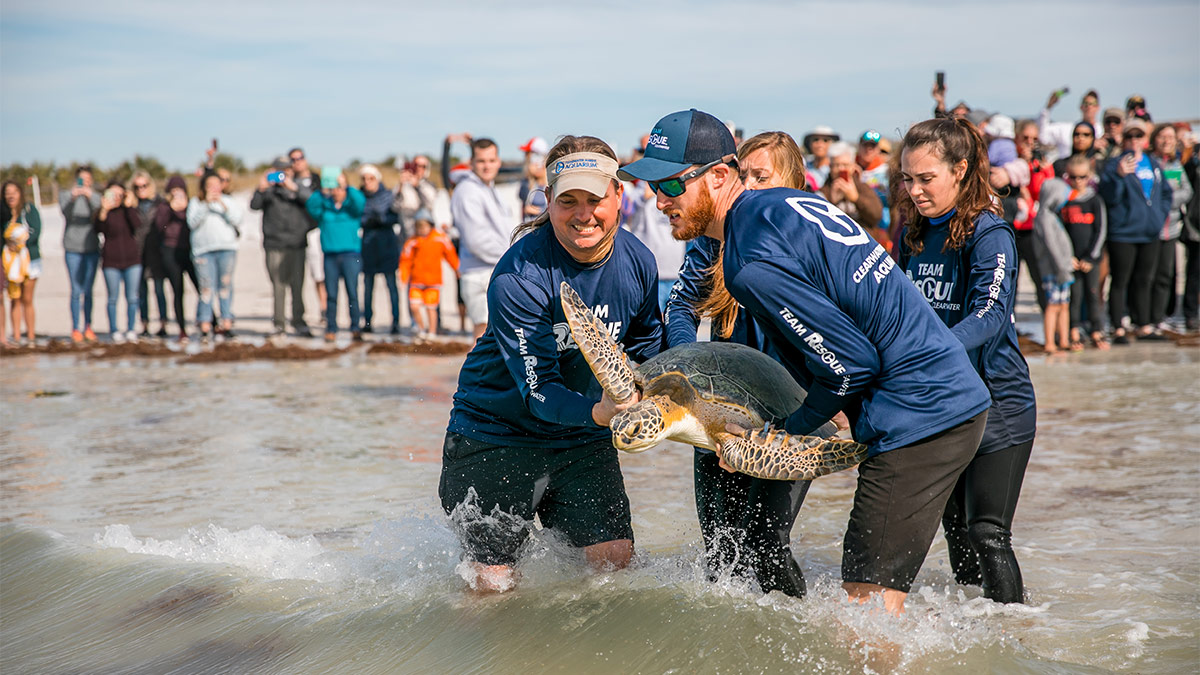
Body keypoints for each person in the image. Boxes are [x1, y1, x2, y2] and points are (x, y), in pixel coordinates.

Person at [621, 108, 990, 615]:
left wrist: (778, 434)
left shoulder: (748, 261)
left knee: (864, 613)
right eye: (651, 185)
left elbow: (850, 364)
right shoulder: (781, 206)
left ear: (721, 176)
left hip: (920, 415)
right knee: (870, 608)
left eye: (668, 184)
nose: (658, 200)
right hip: (943, 400)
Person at [439, 135, 662, 593]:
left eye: (595, 199)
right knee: (493, 585)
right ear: (548, 201)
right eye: (568, 202)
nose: (584, 215)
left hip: (581, 437)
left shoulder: (638, 262)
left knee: (615, 563)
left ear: (619, 195)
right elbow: (539, 390)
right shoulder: (519, 276)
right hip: (495, 435)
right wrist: (601, 412)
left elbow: (649, 351)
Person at [664, 129, 823, 598]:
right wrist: (688, 368)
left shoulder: (808, 238)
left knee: (766, 544)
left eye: (762, 175)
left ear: (794, 181)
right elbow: (679, 308)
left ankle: (800, 645)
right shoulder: (713, 240)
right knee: (719, 552)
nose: (750, 185)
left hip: (792, 413)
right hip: (720, 409)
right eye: (744, 175)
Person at [893, 116, 1036, 604]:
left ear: (961, 170)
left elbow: (991, 313)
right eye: (907, 179)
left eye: (925, 179)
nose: (914, 190)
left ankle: (1015, 639)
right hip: (944, 404)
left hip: (999, 404)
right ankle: (975, 639)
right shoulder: (911, 234)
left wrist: (930, 353)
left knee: (988, 533)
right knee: (954, 534)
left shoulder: (989, 233)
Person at [1098, 116, 1173, 344]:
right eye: (1129, 135)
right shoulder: (1113, 164)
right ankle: (1119, 326)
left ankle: (1143, 325)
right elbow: (1108, 197)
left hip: (1149, 231)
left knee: (1144, 279)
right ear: (1123, 140)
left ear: (1145, 139)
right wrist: (1119, 177)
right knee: (1120, 280)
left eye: (1138, 135)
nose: (1133, 140)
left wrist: (1159, 216)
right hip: (1123, 232)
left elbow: (1166, 193)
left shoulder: (1152, 163)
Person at [449, 136, 512, 340]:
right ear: (472, 163)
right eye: (482, 161)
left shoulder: (490, 189)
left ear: (499, 162)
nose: (487, 166)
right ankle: (471, 373)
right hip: (479, 274)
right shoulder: (467, 191)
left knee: (496, 338)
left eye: (491, 160)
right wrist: (512, 258)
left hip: (493, 270)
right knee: (484, 336)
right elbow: (477, 241)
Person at [252, 157, 316, 338]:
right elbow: (254, 205)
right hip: (274, 244)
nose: (283, 173)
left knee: (297, 286)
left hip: (297, 243)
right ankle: (279, 324)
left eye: (287, 169)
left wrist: (292, 187)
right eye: (279, 170)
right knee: (278, 286)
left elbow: (312, 201)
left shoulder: (298, 187)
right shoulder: (268, 190)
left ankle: (299, 322)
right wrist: (261, 187)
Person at [307, 168, 365, 342]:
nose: (337, 192)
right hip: (330, 256)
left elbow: (360, 202)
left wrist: (346, 185)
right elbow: (311, 206)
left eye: (340, 189)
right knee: (331, 294)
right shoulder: (325, 209)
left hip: (350, 255)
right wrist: (323, 190)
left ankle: (355, 327)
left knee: (352, 292)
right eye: (335, 189)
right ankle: (331, 327)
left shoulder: (352, 209)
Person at [1059, 155, 1109, 349]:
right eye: (1073, 177)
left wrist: (1091, 257)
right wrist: (1067, 257)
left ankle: (1097, 330)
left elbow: (1101, 230)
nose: (1077, 181)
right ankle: (1073, 331)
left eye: (1082, 177)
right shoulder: (1065, 200)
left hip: (1091, 259)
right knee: (1074, 296)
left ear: (1089, 176)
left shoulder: (1094, 200)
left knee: (1093, 294)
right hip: (1071, 259)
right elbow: (1060, 231)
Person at [1148, 123, 1194, 334]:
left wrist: (1167, 201)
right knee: (1147, 274)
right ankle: (1143, 317)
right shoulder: (1149, 163)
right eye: (1162, 137)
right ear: (1154, 139)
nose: (1166, 141)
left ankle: (1160, 317)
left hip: (1172, 228)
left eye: (1170, 137)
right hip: (1150, 228)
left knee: (1166, 275)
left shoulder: (1176, 165)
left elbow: (1187, 191)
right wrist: (1161, 202)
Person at [187, 172, 243, 341]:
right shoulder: (196, 203)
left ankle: (226, 323)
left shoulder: (229, 201)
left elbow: (237, 220)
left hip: (226, 248)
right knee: (206, 289)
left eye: (217, 184)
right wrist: (206, 205)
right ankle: (205, 325)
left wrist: (222, 205)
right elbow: (192, 223)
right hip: (203, 251)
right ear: (204, 187)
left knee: (225, 287)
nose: (214, 188)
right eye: (209, 185)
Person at [93, 181, 144, 343]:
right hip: (110, 261)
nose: (116, 198)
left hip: (132, 260)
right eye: (112, 194)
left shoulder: (128, 210)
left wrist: (129, 207)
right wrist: (104, 211)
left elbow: (137, 225)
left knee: (132, 297)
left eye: (119, 194)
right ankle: (114, 330)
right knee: (113, 298)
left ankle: (131, 329)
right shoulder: (103, 212)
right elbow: (99, 229)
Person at [623, 181, 685, 311]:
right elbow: (629, 209)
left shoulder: (675, 189)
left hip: (676, 272)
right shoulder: (641, 192)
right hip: (651, 275)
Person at [399, 208, 459, 340]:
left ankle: (432, 332)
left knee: (431, 309)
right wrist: (403, 277)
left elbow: (450, 255)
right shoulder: (412, 241)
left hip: (433, 281)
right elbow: (405, 260)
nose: (422, 230)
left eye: (424, 227)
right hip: (416, 281)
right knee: (414, 306)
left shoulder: (440, 239)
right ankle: (421, 329)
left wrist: (457, 269)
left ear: (431, 226)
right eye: (419, 228)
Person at [1032, 179, 1076, 354]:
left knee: (1064, 304)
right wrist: (1061, 268)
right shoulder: (1044, 217)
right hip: (1053, 269)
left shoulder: (1051, 215)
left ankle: (1064, 340)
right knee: (1053, 305)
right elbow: (1051, 245)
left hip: (1063, 268)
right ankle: (1050, 342)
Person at [59, 166, 102, 342]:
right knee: (76, 290)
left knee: (89, 290)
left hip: (92, 248)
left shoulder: (96, 196)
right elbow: (65, 212)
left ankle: (88, 326)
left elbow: (101, 211)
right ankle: (75, 328)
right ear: (76, 179)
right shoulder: (66, 195)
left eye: (88, 180)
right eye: (81, 179)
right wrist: (73, 196)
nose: (84, 183)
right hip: (72, 249)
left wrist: (90, 194)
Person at [358, 164, 401, 335]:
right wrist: (369, 219)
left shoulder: (389, 195)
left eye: (371, 178)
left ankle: (396, 322)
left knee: (392, 286)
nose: (368, 182)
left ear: (377, 179)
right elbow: (358, 217)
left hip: (388, 246)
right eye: (364, 179)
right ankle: (367, 321)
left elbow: (396, 215)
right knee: (368, 287)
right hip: (368, 247)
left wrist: (382, 218)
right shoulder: (359, 197)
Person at [153, 176, 195, 341]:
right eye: (174, 191)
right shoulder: (164, 207)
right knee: (178, 291)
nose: (177, 194)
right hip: (170, 251)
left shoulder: (192, 205)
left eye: (180, 190)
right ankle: (182, 329)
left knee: (201, 288)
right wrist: (171, 210)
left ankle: (212, 323)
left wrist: (185, 210)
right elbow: (160, 227)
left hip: (190, 251)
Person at [289, 147, 326, 325]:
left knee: (320, 274)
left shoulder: (316, 179)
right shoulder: (288, 180)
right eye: (293, 159)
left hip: (315, 230)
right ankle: (299, 313)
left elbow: (316, 201)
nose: (297, 162)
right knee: (298, 276)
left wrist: (295, 189)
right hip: (295, 233)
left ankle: (324, 309)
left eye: (300, 158)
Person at [2, 180, 40, 344]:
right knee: (14, 298)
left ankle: (31, 336)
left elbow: (37, 230)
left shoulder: (29, 209)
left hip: (30, 259)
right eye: (7, 192)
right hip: (10, 262)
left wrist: (20, 243)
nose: (11, 195)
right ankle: (16, 336)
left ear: (20, 193)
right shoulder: (3, 213)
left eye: (14, 191)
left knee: (27, 299)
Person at [820, 141, 883, 230]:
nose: (841, 169)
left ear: (853, 166)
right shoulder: (823, 191)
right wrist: (832, 201)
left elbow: (877, 215)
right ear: (830, 167)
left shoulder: (863, 188)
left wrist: (856, 198)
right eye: (837, 165)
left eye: (845, 165)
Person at [1039, 89, 1102, 161]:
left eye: (1093, 104)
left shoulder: (1103, 132)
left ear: (1098, 107)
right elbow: (1042, 135)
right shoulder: (1066, 129)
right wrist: (1048, 106)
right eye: (1086, 103)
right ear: (1081, 107)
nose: (1089, 107)